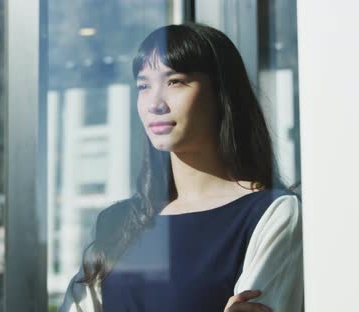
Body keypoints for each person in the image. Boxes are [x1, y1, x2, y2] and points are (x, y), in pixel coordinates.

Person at [58, 22, 303, 312]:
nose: (155, 103)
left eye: (175, 81)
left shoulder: (272, 214)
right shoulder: (118, 222)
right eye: (144, 86)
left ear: (221, 92)